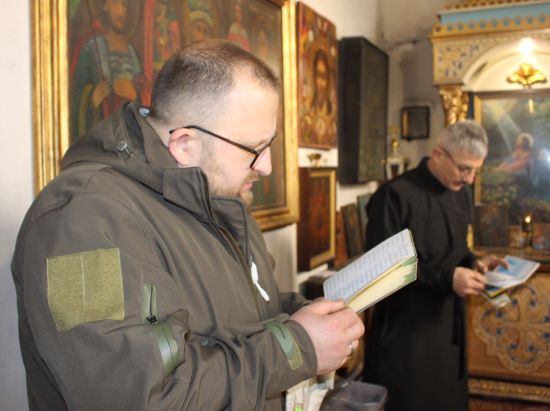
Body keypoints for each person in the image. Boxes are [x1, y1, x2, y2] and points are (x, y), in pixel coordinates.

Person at [12, 40, 364, 410]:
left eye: (270, 144)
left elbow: (246, 311)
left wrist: (310, 319)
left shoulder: (220, 196)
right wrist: (296, 347)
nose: (266, 167)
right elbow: (137, 398)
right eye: (254, 149)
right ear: (183, 145)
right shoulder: (76, 221)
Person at [362, 120, 507, 411]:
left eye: (475, 171)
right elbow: (383, 269)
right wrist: (448, 278)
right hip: (407, 334)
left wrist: (475, 262)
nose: (469, 179)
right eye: (464, 169)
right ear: (439, 154)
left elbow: (456, 251)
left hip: (449, 328)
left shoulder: (460, 194)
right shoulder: (394, 195)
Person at [70, 0, 149, 141]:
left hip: (129, 137)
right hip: (102, 137)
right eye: (115, 3)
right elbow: (74, 94)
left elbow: (147, 98)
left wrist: (135, 95)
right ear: (105, 6)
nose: (121, 11)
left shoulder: (133, 53)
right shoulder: (90, 48)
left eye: (124, 5)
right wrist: (92, 98)